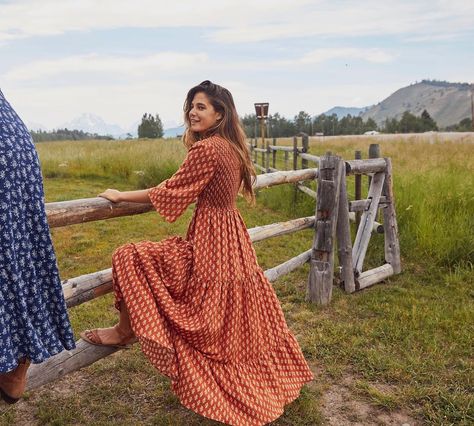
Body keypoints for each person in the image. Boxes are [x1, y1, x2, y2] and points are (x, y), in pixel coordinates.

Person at [81, 80, 313, 425]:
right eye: (191, 105)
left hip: (214, 242)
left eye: (201, 106)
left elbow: (170, 190)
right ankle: (262, 379)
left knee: (131, 255)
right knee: (230, 312)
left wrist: (120, 195)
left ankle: (124, 330)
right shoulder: (230, 148)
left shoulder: (209, 150)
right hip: (230, 237)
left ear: (220, 113)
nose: (193, 111)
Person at [0, 89, 76, 404]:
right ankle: (17, 362)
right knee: (19, 250)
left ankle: (15, 363)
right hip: (15, 156)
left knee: (14, 252)